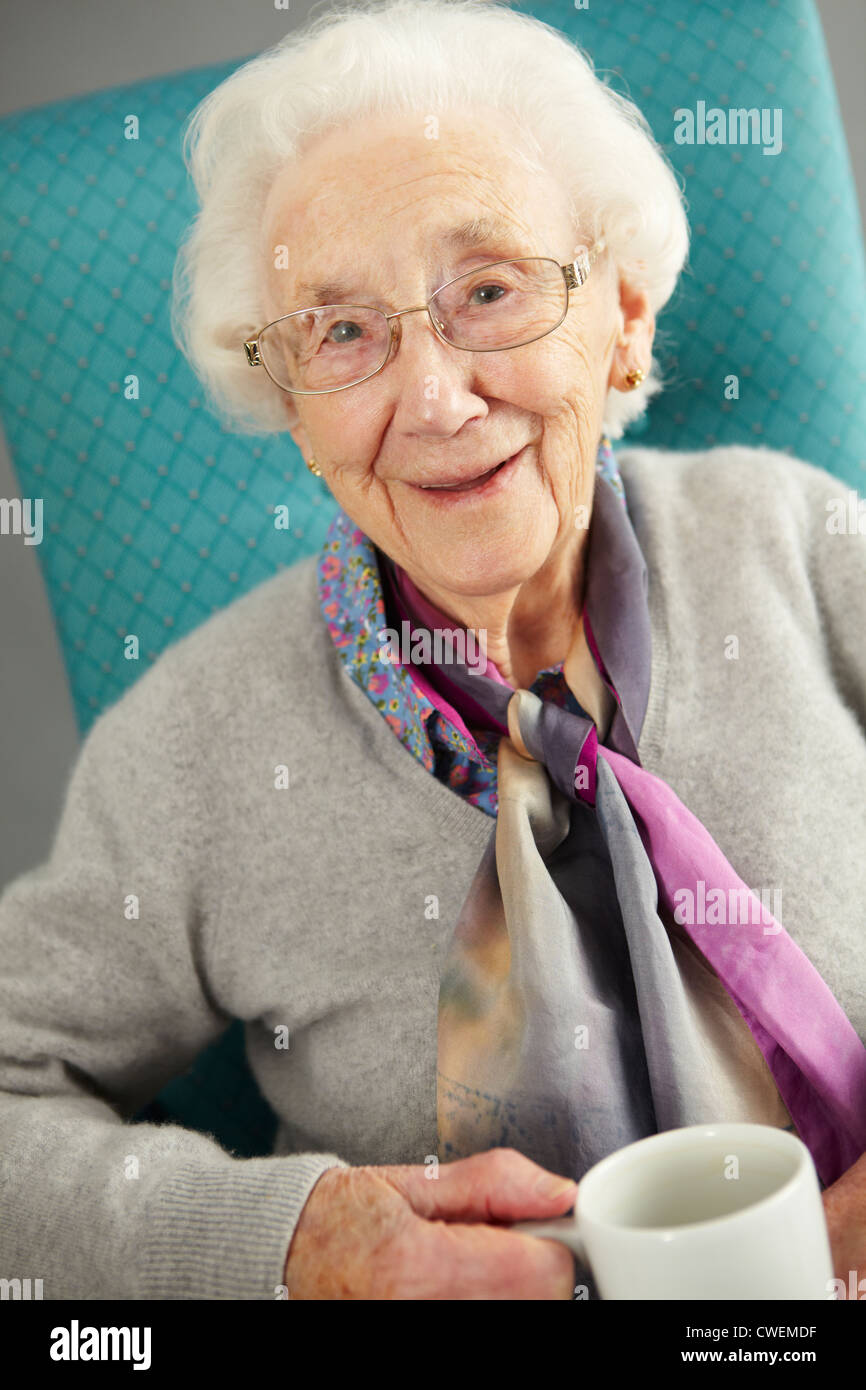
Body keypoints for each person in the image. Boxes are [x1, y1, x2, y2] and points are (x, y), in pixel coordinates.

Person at [1, 0, 864, 1301]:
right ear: (290, 408)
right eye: (342, 334)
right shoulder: (195, 738)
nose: (435, 397)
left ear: (622, 314)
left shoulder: (794, 539)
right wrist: (284, 1240)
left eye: (489, 290)